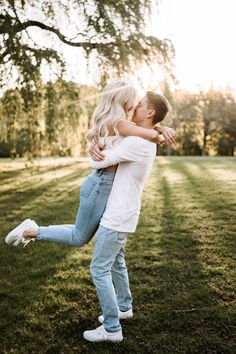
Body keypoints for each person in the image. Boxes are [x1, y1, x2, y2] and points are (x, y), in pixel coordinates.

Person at [5, 81, 173, 248]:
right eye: (134, 100)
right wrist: (162, 132)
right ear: (123, 100)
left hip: (100, 182)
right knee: (79, 237)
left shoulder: (117, 122)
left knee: (83, 231)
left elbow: (144, 130)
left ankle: (34, 229)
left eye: (139, 103)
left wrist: (160, 128)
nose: (136, 104)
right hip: (102, 183)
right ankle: (31, 231)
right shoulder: (119, 124)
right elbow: (148, 134)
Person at [83, 91, 173, 342]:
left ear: (150, 113)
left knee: (99, 268)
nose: (134, 106)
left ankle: (112, 329)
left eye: (140, 104)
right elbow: (114, 139)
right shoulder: (140, 136)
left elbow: (98, 164)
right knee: (116, 262)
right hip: (123, 211)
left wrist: (96, 153)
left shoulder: (137, 142)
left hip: (117, 214)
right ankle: (124, 307)